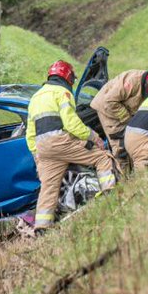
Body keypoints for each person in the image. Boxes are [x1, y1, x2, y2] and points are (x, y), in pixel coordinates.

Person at [24, 60, 117, 234]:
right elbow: (72, 124)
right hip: (60, 141)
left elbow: (30, 133)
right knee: (101, 157)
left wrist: (37, 155)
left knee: (49, 187)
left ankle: (42, 226)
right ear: (68, 77)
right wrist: (93, 136)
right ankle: (110, 191)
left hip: (43, 148)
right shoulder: (62, 93)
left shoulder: (35, 98)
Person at [89, 68, 148, 159]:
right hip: (107, 107)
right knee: (120, 146)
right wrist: (130, 121)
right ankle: (124, 171)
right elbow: (109, 101)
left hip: (119, 106)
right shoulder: (132, 82)